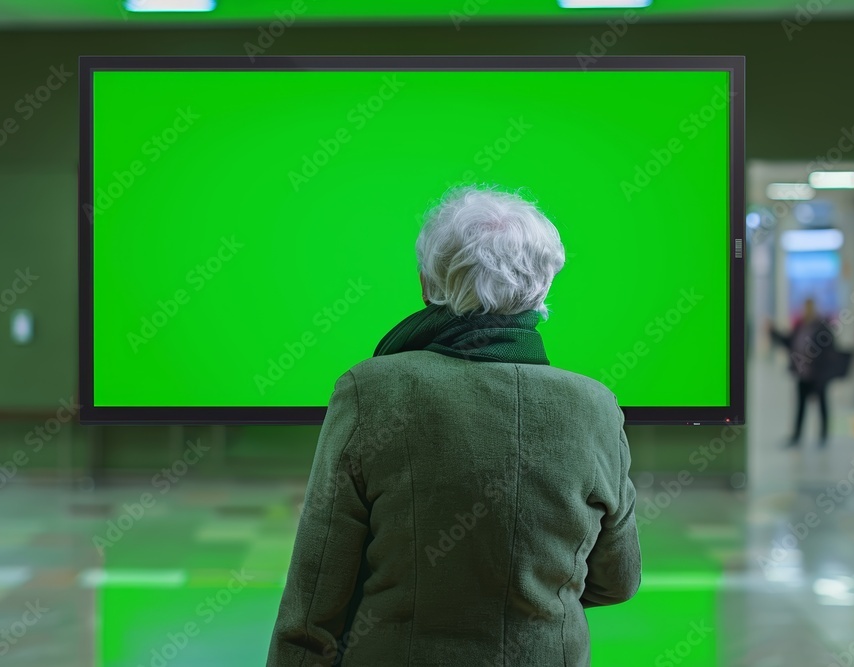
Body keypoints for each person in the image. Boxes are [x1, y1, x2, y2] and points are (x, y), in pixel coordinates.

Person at [267, 186, 641, 666]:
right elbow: (619, 579)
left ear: (427, 284)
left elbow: (317, 591)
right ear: (543, 288)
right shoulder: (596, 405)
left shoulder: (371, 389)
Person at [769, 298, 838, 447]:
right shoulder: (801, 326)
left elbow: (829, 351)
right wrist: (774, 332)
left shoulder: (822, 328)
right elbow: (789, 342)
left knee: (822, 404)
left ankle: (823, 435)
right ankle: (797, 435)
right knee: (800, 406)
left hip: (818, 374)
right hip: (803, 373)